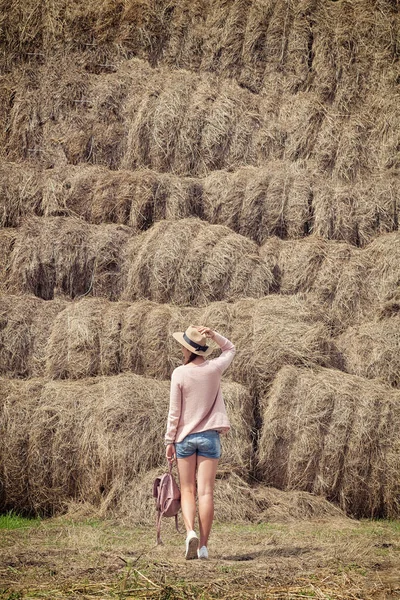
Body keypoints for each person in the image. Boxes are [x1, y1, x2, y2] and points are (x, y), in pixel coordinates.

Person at [165, 324, 236, 560]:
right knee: (206, 492)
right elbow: (231, 348)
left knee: (187, 490)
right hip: (209, 438)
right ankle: (204, 547)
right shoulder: (214, 368)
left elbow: (174, 413)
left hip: (184, 439)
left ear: (189, 350)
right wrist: (214, 336)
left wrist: (169, 441)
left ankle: (190, 534)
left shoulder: (179, 373)